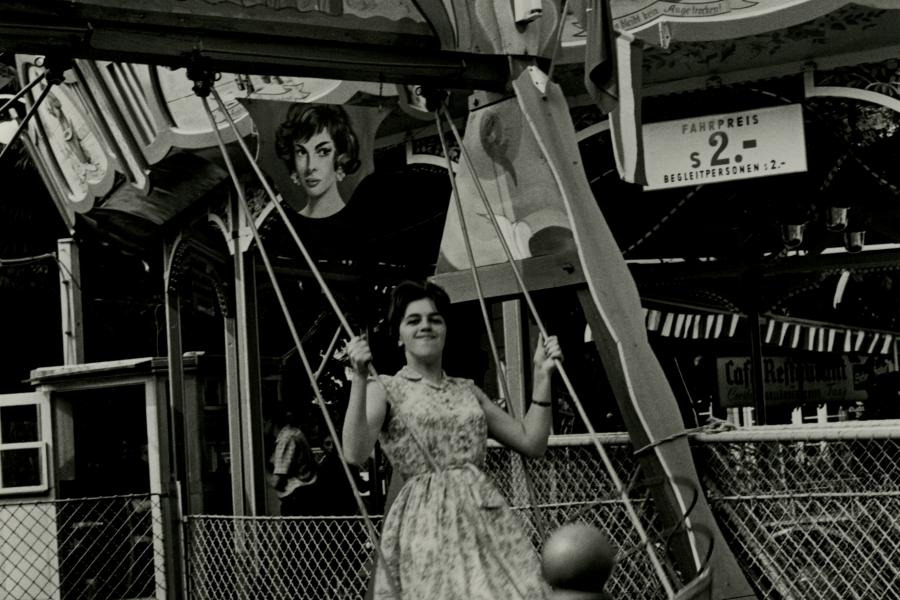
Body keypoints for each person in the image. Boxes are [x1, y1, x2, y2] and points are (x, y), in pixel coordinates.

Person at [343, 280, 563, 599]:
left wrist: (542, 376)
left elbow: (532, 442)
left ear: (446, 329)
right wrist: (359, 378)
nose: (426, 326)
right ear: (399, 334)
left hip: (483, 518)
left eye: (435, 319)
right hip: (425, 524)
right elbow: (354, 452)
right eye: (413, 320)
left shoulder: (467, 391)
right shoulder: (386, 388)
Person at [275, 103, 361, 219]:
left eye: (323, 152)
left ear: (340, 158)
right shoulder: (284, 222)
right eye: (302, 152)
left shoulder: (359, 216)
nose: (310, 167)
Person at [270, 406, 318, 516]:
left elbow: (277, 480)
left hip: (298, 498)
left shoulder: (286, 439)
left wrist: (261, 473)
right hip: (302, 495)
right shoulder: (293, 433)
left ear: (270, 421)